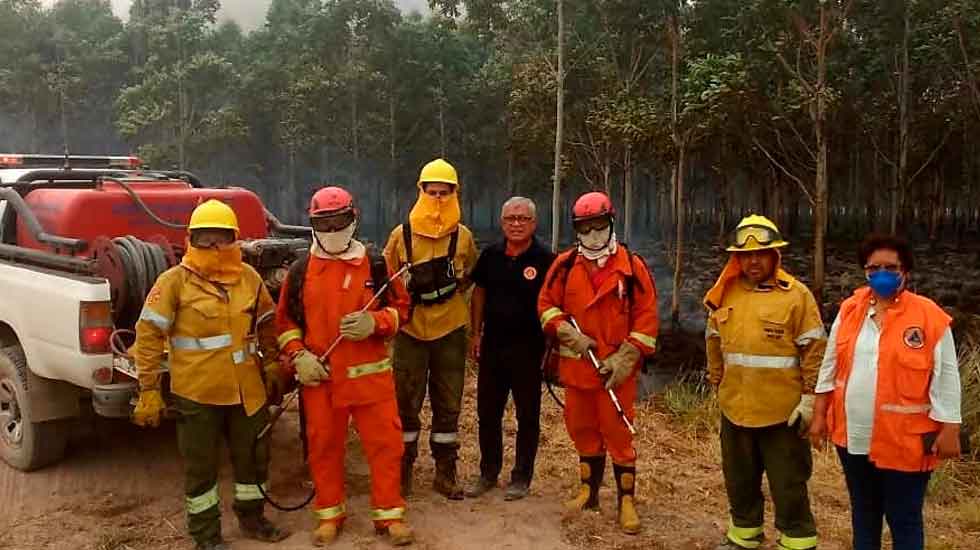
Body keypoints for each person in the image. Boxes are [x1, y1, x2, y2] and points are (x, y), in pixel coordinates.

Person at [131, 199, 289, 550]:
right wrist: (149, 390)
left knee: (253, 459)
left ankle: (252, 519)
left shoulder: (249, 279)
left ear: (234, 239)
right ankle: (206, 536)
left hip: (247, 390)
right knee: (201, 469)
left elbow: (266, 324)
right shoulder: (173, 282)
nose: (214, 247)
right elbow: (148, 335)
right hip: (197, 394)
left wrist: (274, 363)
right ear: (191, 239)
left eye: (221, 238)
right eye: (205, 239)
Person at [276, 186, 414, 546]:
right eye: (325, 223)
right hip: (321, 380)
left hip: (371, 381)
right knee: (323, 447)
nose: (333, 230)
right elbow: (285, 324)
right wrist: (299, 356)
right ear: (312, 224)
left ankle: (389, 515)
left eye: (339, 221)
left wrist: (377, 323)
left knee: (386, 446)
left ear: (354, 218)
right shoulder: (300, 270)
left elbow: (403, 311)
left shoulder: (376, 263)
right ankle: (329, 515)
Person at [810, 234, 961, 550]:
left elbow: (947, 376)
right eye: (873, 267)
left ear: (905, 270)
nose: (881, 274)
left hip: (905, 441)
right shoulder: (851, 309)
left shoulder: (928, 316)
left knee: (904, 518)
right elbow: (829, 365)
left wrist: (950, 428)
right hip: (853, 437)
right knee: (864, 515)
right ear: (864, 271)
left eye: (890, 267)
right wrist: (819, 414)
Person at [537, 191, 658, 534]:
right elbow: (545, 304)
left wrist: (626, 357)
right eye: (585, 227)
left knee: (618, 434)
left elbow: (647, 321)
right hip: (576, 372)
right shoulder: (563, 266)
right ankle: (588, 492)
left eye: (599, 225)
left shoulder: (632, 268)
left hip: (615, 375)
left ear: (611, 223)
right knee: (582, 431)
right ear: (576, 229)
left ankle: (626, 501)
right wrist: (564, 330)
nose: (593, 233)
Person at [703, 214, 826, 550]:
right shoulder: (724, 293)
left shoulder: (796, 296)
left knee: (789, 485)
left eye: (761, 253)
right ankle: (743, 537)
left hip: (782, 415)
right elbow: (713, 339)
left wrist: (811, 399)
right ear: (736, 258)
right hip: (736, 410)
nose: (753, 260)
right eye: (745, 255)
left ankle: (797, 541)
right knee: (739, 482)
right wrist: (717, 383)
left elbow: (815, 349)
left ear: (775, 255)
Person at [384, 158, 479, 500]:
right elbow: (389, 282)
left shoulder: (464, 237)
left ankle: (445, 473)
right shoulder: (401, 236)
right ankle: (402, 471)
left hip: (451, 330)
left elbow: (471, 276)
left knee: (448, 403)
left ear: (456, 193)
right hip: (410, 332)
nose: (438, 198)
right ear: (420, 191)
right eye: (432, 191)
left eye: (445, 192)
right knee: (405, 402)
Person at [465, 197, 556, 501]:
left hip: (529, 350)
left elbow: (556, 304)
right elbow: (479, 293)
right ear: (502, 222)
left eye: (523, 219)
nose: (516, 224)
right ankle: (488, 472)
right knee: (487, 413)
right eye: (510, 219)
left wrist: (551, 346)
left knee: (527, 416)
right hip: (492, 346)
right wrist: (475, 333)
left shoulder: (546, 259)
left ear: (534, 223)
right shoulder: (490, 255)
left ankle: (521, 477)